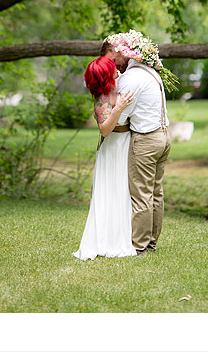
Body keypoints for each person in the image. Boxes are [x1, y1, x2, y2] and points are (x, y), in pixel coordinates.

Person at [105, 35, 172, 256]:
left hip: (145, 140)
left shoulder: (131, 78)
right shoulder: (150, 71)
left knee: (141, 195)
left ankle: (139, 247)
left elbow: (121, 119)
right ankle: (151, 243)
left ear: (121, 50)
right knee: (156, 193)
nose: (113, 66)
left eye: (112, 60)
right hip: (163, 136)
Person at [72, 51, 136, 260]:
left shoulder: (121, 85)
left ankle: (128, 235)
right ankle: (108, 240)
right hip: (112, 149)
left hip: (127, 143)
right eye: (112, 69)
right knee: (112, 193)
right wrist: (118, 108)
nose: (117, 68)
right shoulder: (102, 99)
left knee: (125, 192)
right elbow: (105, 129)